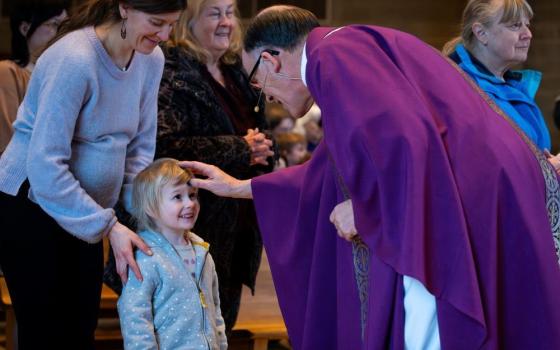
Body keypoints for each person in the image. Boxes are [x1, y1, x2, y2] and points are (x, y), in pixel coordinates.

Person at [183, 5, 560, 349]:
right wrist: (237, 187)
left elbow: (410, 140)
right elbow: (327, 174)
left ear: (270, 60)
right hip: (477, 188)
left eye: (255, 81)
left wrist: (366, 211)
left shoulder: (335, 57)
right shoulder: (343, 52)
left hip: (469, 195)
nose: (263, 96)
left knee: (430, 325)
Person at [0, 0, 185, 348]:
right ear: (125, 8)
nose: (165, 35)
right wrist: (108, 226)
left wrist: (149, 212)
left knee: (80, 330)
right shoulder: (74, 58)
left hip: (89, 212)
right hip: (30, 202)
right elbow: (45, 164)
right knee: (46, 335)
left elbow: (139, 151)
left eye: (173, 25)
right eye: (157, 22)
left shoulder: (151, 58)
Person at [154, 0, 274, 332]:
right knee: (187, 333)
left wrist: (264, 148)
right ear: (189, 23)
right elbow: (163, 148)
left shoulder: (237, 71)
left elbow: (262, 134)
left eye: (231, 12)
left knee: (220, 331)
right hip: (191, 227)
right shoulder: (170, 69)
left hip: (238, 228)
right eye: (214, 13)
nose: (226, 22)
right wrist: (241, 149)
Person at [118, 158, 227, 350]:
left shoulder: (203, 253)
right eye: (178, 197)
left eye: (192, 195)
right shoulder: (146, 257)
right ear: (151, 207)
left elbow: (215, 309)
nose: (190, 204)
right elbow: (135, 319)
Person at [443, 0, 551, 151]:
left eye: (527, 24)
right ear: (481, 33)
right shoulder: (460, 88)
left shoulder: (516, 86)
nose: (528, 34)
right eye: (515, 25)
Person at [0, 0, 68, 154]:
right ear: (25, 28)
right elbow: (7, 142)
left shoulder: (61, 75)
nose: (62, 33)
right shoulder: (8, 72)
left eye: (66, 26)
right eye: (55, 24)